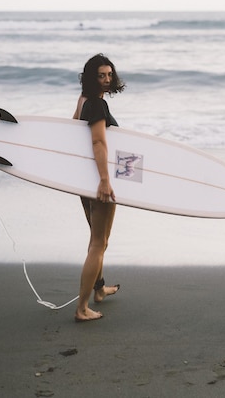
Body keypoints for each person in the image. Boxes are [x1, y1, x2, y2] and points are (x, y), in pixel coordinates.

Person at [72, 54, 125, 321]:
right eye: (101, 75)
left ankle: (100, 288)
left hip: (84, 180)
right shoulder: (97, 106)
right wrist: (105, 180)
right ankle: (82, 308)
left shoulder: (84, 101)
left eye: (109, 75)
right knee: (98, 243)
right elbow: (98, 144)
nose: (106, 80)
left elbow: (72, 133)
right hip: (99, 181)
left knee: (97, 238)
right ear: (91, 77)